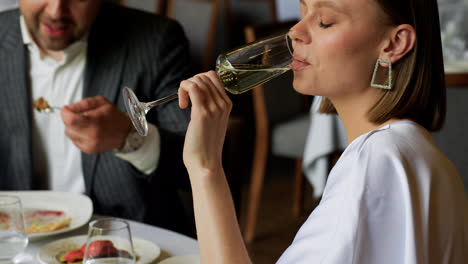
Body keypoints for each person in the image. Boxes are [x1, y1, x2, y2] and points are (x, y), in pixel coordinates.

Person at [177, 0, 468, 262]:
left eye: (324, 21)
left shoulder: (375, 165)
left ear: (394, 44)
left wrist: (205, 167)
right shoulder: (424, 157)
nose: (295, 32)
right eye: (304, 9)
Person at [0, 0, 193, 235]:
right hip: (14, 240)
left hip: (128, 241)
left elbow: (197, 163)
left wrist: (129, 137)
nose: (55, 11)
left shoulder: (157, 41)